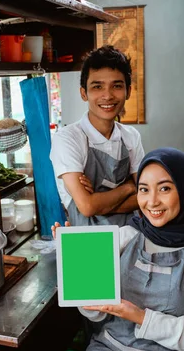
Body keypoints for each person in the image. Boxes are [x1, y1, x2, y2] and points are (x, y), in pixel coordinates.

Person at [52, 148, 184, 351]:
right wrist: (77, 261)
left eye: (165, 188)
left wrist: (141, 317)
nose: (152, 201)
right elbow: (92, 307)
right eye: (144, 189)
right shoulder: (124, 236)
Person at [50, 45, 145, 227]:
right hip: (89, 244)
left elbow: (146, 198)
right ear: (84, 93)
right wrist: (128, 187)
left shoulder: (131, 136)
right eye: (97, 86)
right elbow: (86, 207)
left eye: (116, 86)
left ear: (128, 91)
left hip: (131, 236)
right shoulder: (67, 139)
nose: (107, 95)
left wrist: (98, 202)